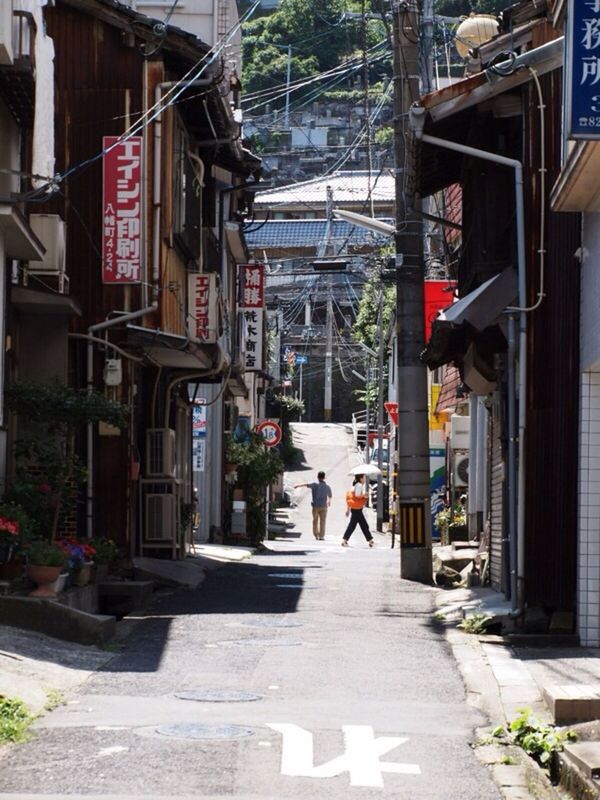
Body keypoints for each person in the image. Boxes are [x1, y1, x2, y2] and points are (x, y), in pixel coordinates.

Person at [294, 471, 332, 540]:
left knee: (315, 520)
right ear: (324, 478)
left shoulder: (314, 484)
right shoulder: (327, 486)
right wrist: (329, 501)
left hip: (315, 506)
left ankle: (316, 535)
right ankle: (321, 536)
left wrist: (297, 485)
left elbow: (306, 484)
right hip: (324, 506)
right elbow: (330, 496)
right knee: (323, 521)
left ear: (317, 477)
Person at [342, 474, 374, 547]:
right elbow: (357, 495)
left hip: (355, 509)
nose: (365, 479)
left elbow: (351, 498)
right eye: (364, 477)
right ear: (361, 478)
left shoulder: (355, 485)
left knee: (362, 525)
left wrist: (348, 509)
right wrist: (364, 495)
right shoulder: (359, 485)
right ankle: (345, 540)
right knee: (357, 525)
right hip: (357, 509)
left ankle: (370, 540)